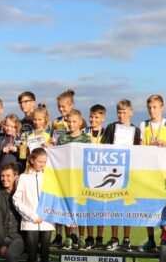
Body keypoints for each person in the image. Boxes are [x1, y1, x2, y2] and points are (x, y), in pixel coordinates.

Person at [13, 147, 55, 262]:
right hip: (30, 223)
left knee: (45, 254)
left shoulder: (50, 177)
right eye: (40, 161)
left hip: (47, 222)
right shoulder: (23, 177)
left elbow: (55, 198)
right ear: (32, 160)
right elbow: (16, 200)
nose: (43, 164)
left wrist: (48, 215)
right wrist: (32, 216)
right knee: (31, 255)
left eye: (45, 162)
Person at [138, 94, 166, 252]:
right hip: (148, 173)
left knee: (164, 208)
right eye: (149, 107)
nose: (151, 110)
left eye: (155, 107)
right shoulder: (143, 125)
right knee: (148, 207)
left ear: (161, 107)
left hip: (165, 174)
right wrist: (152, 145)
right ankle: (150, 240)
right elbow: (140, 148)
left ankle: (165, 241)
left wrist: (164, 145)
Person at [101, 99, 141, 252]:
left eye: (124, 112)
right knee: (114, 205)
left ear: (130, 113)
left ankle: (126, 238)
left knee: (127, 205)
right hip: (113, 172)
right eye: (119, 112)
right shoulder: (111, 127)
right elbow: (104, 147)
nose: (121, 115)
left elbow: (138, 151)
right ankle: (114, 237)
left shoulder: (135, 130)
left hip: (129, 172)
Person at [56, 109, 91, 250]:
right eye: (68, 121)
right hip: (66, 179)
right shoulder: (62, 138)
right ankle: (68, 237)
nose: (71, 124)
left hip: (80, 179)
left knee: (80, 208)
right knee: (67, 208)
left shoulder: (86, 138)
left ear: (80, 122)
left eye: (74, 122)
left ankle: (81, 236)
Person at [81, 104, 107, 250]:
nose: (93, 119)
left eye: (97, 117)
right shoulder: (84, 132)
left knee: (100, 208)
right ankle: (89, 237)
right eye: (91, 116)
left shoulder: (107, 133)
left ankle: (100, 237)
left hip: (102, 176)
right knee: (89, 208)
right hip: (87, 175)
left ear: (103, 118)